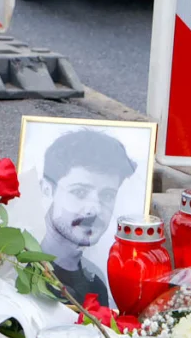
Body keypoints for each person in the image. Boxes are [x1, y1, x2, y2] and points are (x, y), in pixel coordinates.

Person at [39, 129, 137, 301]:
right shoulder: (18, 269)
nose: (95, 209)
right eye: (79, 192)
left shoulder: (96, 283)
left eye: (107, 195)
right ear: (47, 190)